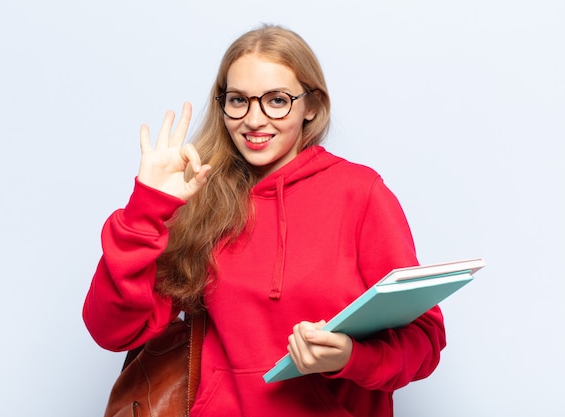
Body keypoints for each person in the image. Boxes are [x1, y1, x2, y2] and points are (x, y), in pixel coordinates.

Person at [83, 24, 446, 417]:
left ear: (312, 107)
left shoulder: (360, 193)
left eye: (276, 100)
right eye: (238, 100)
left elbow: (424, 340)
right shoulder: (201, 197)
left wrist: (349, 357)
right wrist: (146, 208)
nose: (254, 120)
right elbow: (112, 330)